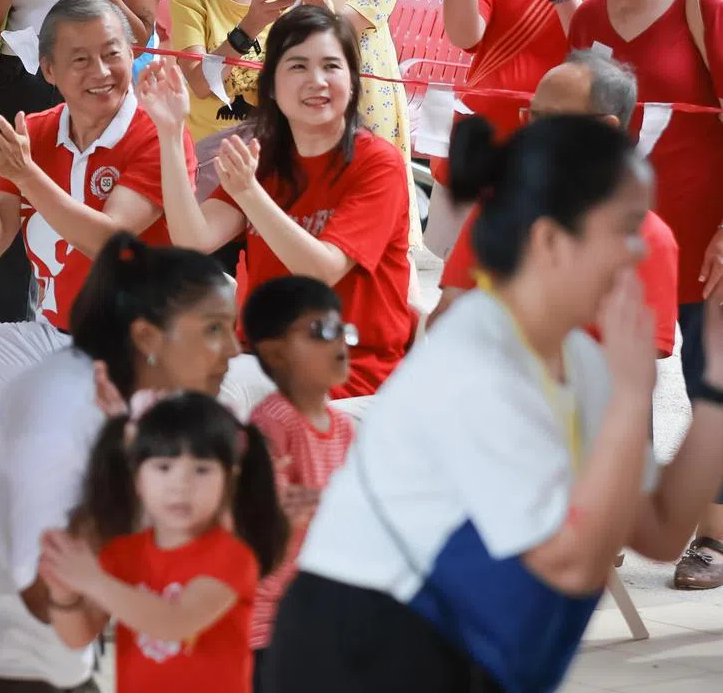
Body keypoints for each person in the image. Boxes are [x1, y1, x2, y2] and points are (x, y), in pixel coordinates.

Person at [263, 114, 723, 691]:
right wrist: (632, 401)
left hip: (463, 653)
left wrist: (717, 383)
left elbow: (658, 529)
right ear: (552, 242)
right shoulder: (476, 359)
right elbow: (572, 563)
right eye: (626, 229)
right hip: (363, 654)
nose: (642, 249)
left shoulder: (579, 359)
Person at [0, 232, 240, 693]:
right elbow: (64, 606)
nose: (231, 348)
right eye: (214, 330)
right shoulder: (77, 410)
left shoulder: (122, 397)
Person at [0, 0, 193, 446]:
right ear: (48, 70)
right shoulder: (36, 131)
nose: (101, 72)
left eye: (112, 54)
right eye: (80, 59)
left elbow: (109, 243)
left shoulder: (156, 131)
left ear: (131, 54)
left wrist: (26, 175)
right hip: (55, 342)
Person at [141, 5, 412, 410]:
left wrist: (251, 194)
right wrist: (169, 130)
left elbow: (320, 271)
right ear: (270, 85)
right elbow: (193, 237)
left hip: (348, 375)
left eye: (331, 67)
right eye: (298, 66)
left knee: (203, 393)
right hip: (266, 363)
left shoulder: (378, 164)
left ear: (353, 82)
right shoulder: (264, 158)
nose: (316, 81)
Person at [568, 0, 723, 591]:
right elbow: (572, 126)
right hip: (619, 238)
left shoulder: (702, 2)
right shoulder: (589, 13)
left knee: (705, 381)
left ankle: (713, 535)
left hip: (701, 236)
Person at [431, 50, 679, 364]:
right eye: (532, 116)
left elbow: (628, 369)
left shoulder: (647, 238)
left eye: (552, 121)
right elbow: (444, 318)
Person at [0, 0, 168, 325]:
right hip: (20, 86)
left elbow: (140, 40)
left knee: (90, 223)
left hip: (99, 93)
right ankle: (2, 356)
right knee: (7, 247)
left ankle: (88, 339)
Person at [40, 392, 288, 693]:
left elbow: (176, 622)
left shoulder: (232, 558)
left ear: (230, 479)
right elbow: (79, 635)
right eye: (163, 468)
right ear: (137, 478)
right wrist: (64, 595)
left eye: (201, 470)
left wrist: (93, 581)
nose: (180, 485)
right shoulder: (124, 552)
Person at [428, 0, 618, 259]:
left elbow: (598, 55)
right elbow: (464, 35)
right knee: (459, 284)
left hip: (557, 153)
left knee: (540, 286)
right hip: (482, 144)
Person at [238, 276, 353, 690]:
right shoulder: (272, 423)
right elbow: (258, 520)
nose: (339, 342)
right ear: (275, 352)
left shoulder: (342, 427)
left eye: (343, 330)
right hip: (271, 621)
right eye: (321, 331)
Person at [167, 0, 351, 142]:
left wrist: (319, 3)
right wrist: (249, 27)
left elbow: (341, 69)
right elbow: (200, 84)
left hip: (288, 147)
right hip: (217, 153)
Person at [314, 0, 423, 249]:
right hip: (295, 56)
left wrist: (311, 13)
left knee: (369, 196)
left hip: (359, 65)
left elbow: (375, 2)